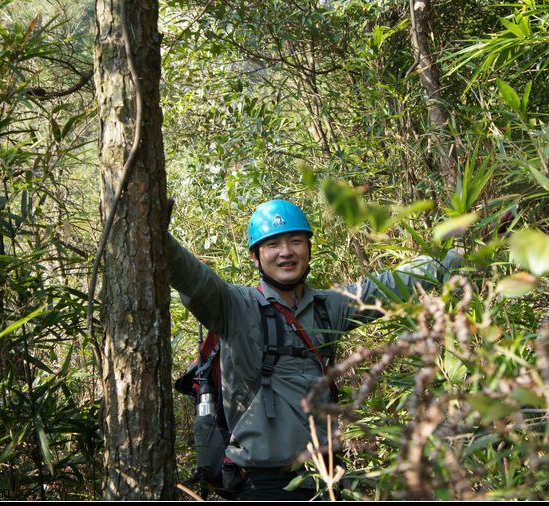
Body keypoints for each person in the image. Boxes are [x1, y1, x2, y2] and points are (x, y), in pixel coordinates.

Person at [166, 199, 462, 500]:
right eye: (273, 244)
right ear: (256, 257)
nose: (286, 252)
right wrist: (161, 239)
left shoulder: (327, 307)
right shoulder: (236, 307)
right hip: (264, 484)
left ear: (308, 249)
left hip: (328, 477)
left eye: (295, 241)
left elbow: (387, 285)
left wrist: (457, 256)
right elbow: (195, 279)